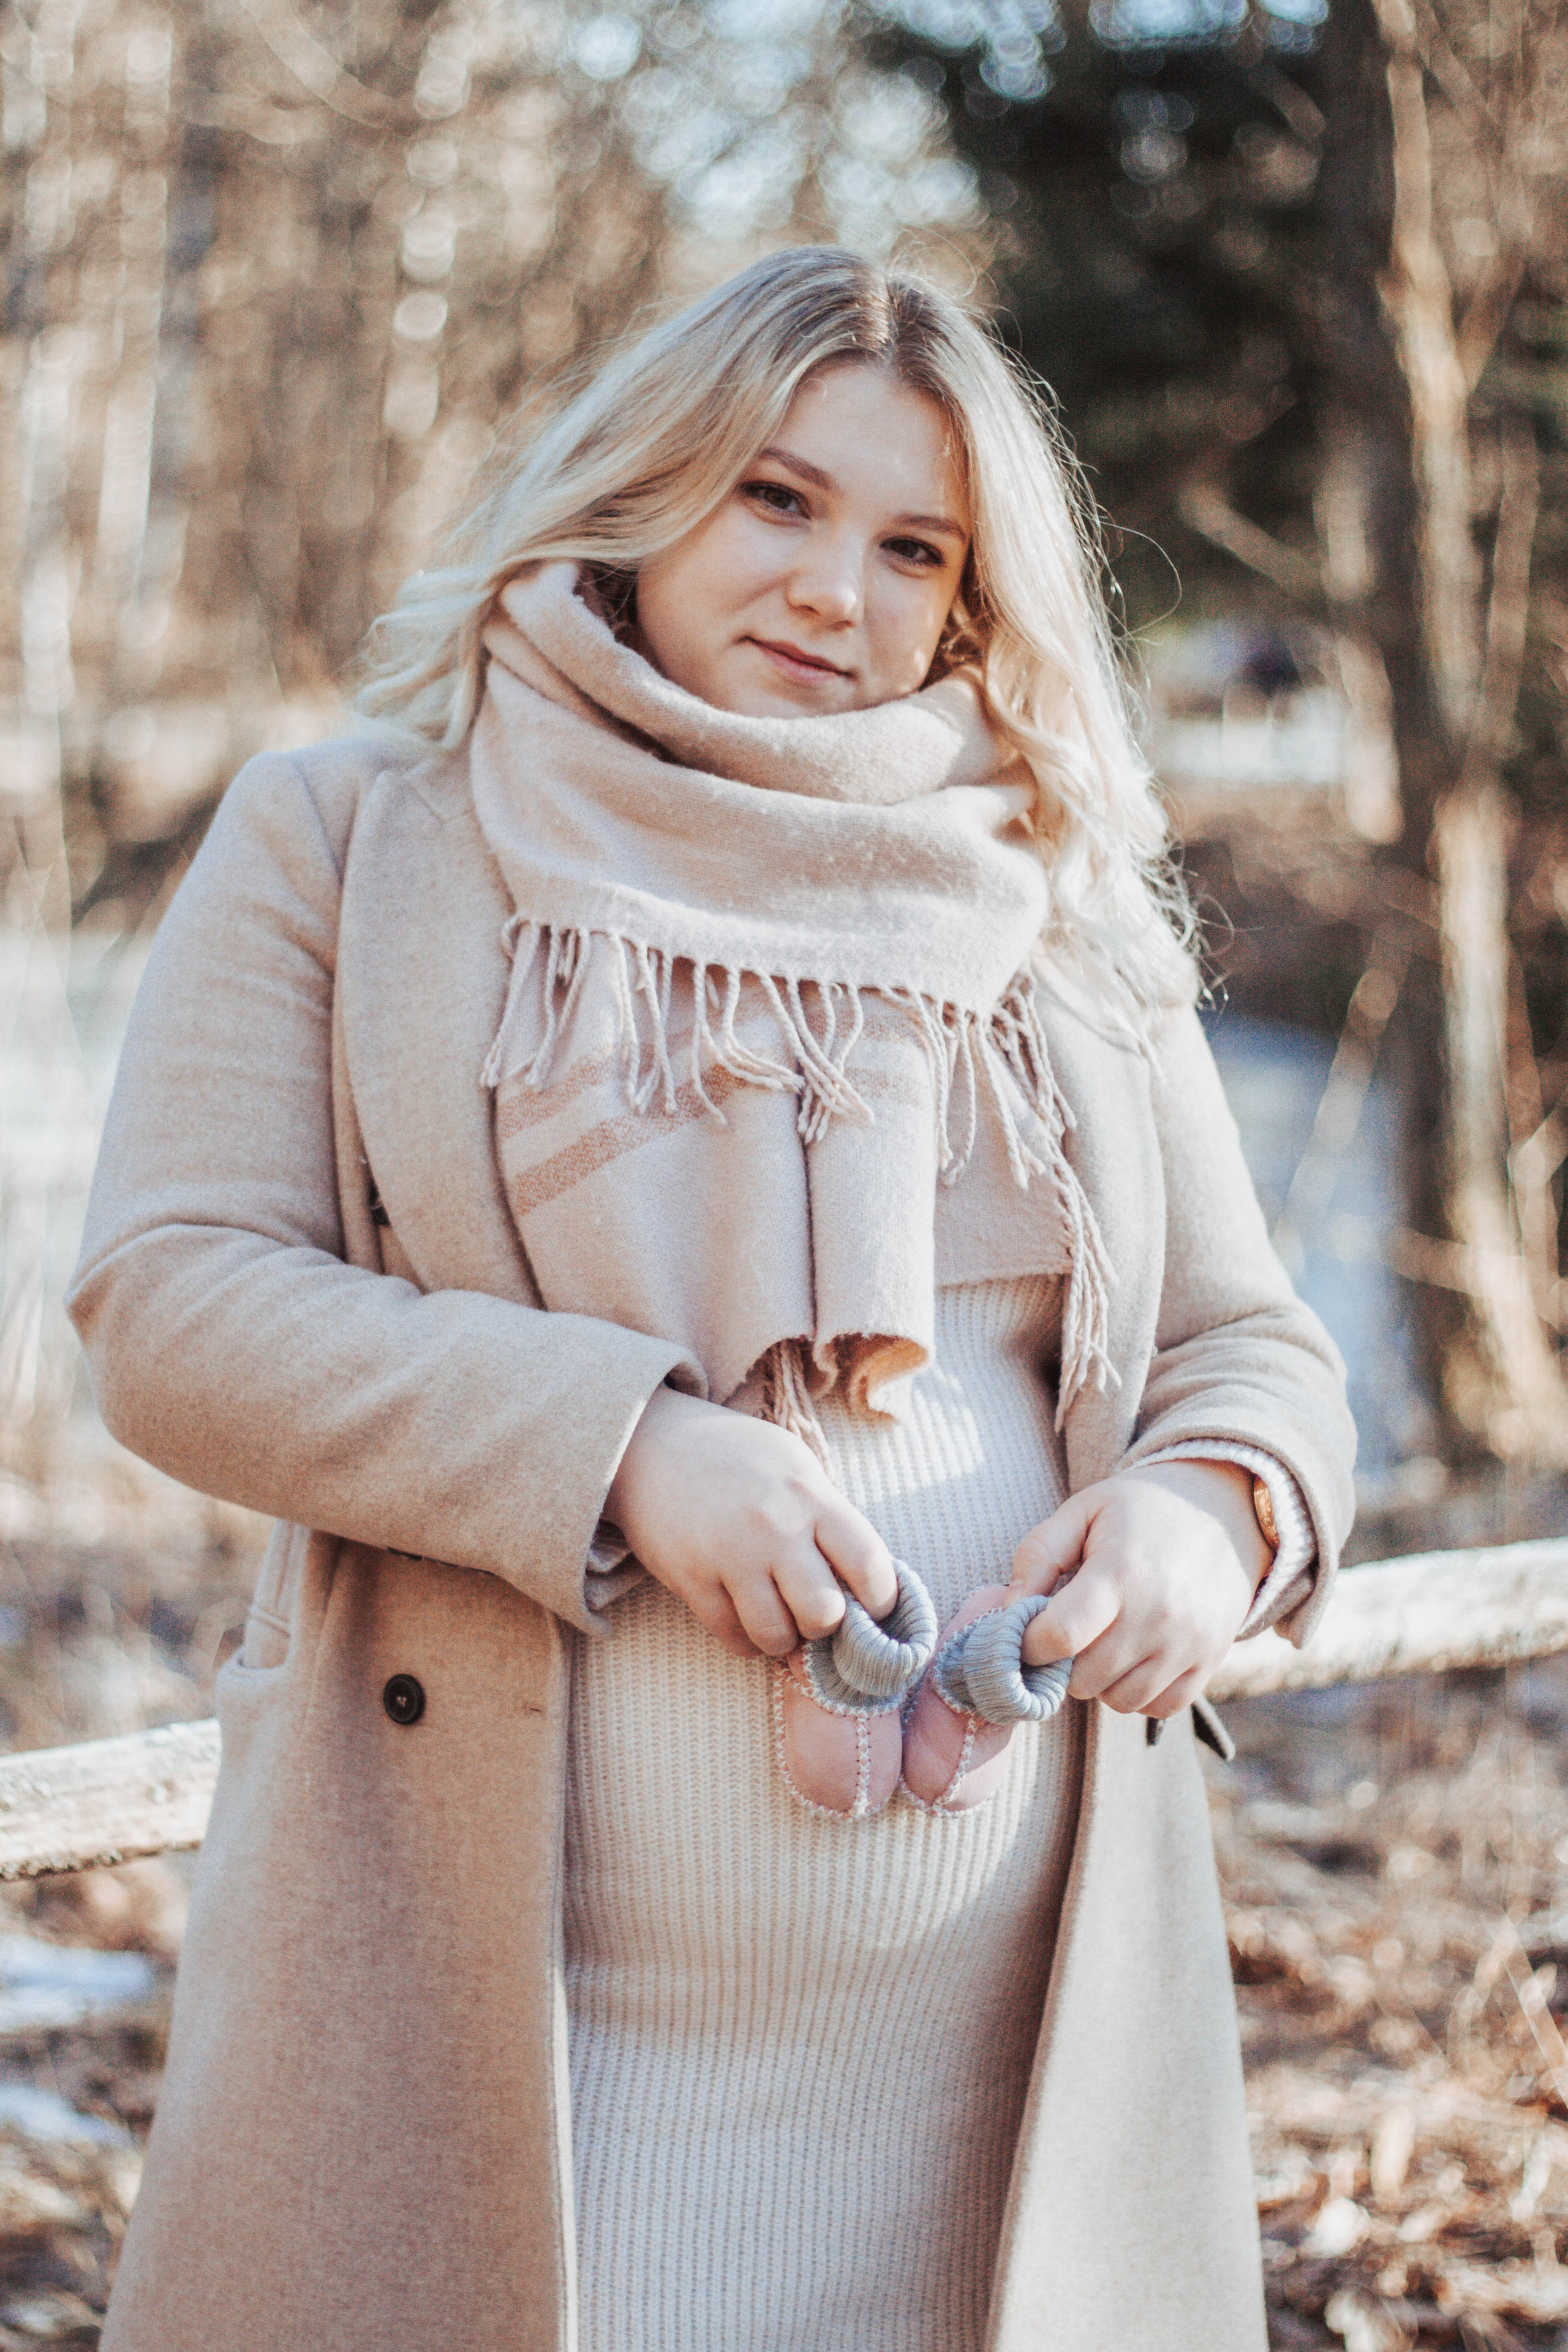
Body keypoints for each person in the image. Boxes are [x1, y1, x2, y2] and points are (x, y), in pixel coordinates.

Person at [69, 247, 1355, 2352]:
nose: (835, 588)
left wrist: (1214, 1512)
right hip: (505, 2069)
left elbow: (1255, 1350)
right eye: (776, 497)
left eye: (911, 543)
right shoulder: (357, 835)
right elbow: (176, 1304)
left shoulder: (1054, 900)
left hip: (997, 2105)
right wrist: (625, 1447)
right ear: (640, 483)